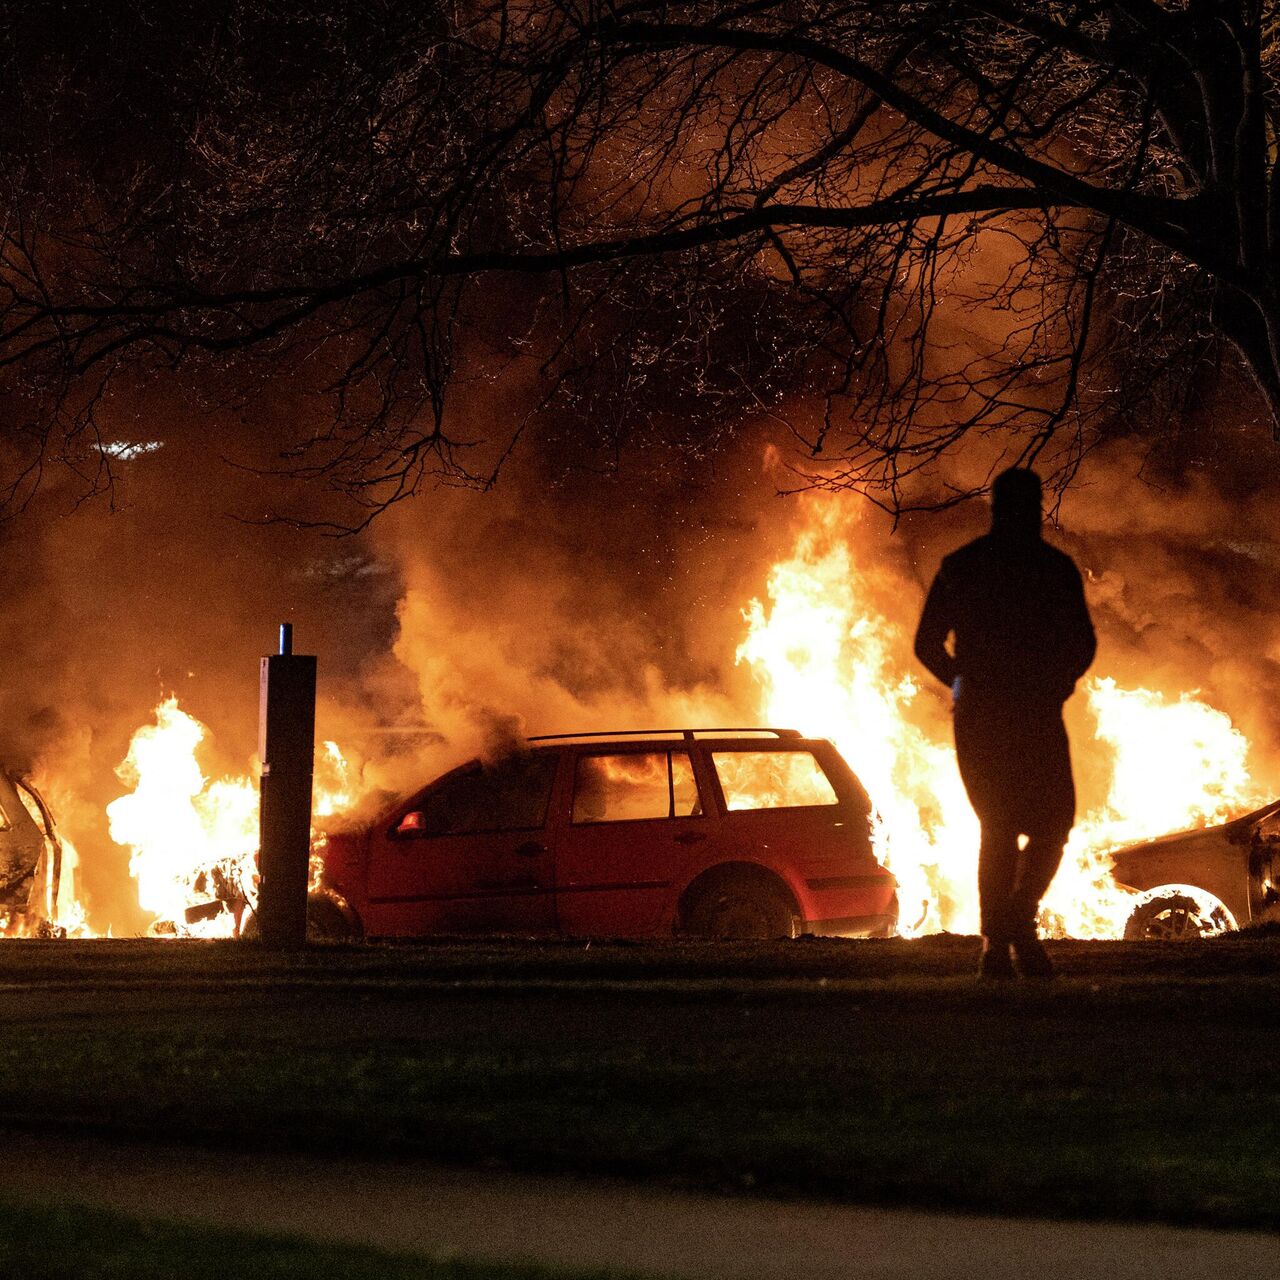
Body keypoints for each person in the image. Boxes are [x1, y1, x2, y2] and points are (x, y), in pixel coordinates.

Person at [914, 467, 1096, 979]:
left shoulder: (965, 565)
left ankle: (1007, 932)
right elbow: (1082, 643)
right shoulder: (1050, 567)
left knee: (1015, 827)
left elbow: (927, 644)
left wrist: (959, 681)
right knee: (1040, 824)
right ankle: (1011, 938)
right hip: (1025, 712)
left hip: (992, 714)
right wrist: (1058, 681)